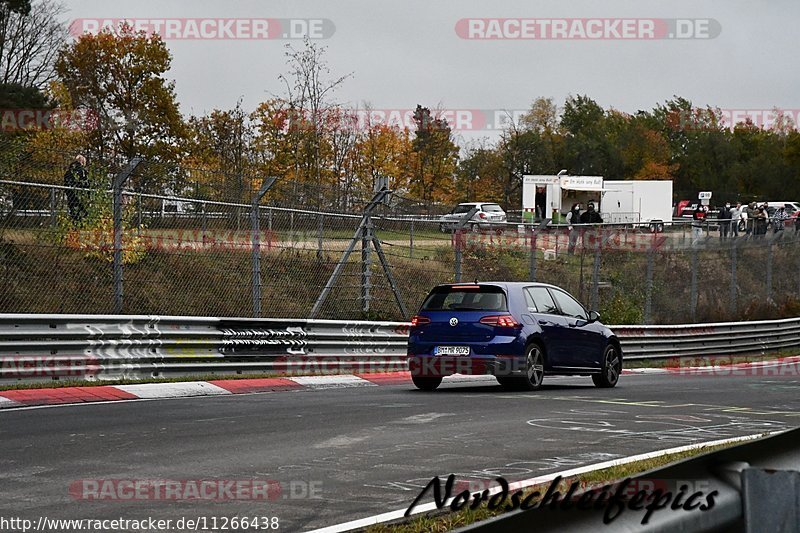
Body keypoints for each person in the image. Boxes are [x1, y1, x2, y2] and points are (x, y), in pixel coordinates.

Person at [64, 154, 88, 223]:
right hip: (81, 195)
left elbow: (66, 183)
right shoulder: (83, 172)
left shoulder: (68, 172)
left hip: (70, 195)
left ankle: (74, 227)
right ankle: (81, 224)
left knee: (73, 212)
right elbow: (86, 183)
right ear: (82, 162)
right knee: (83, 212)